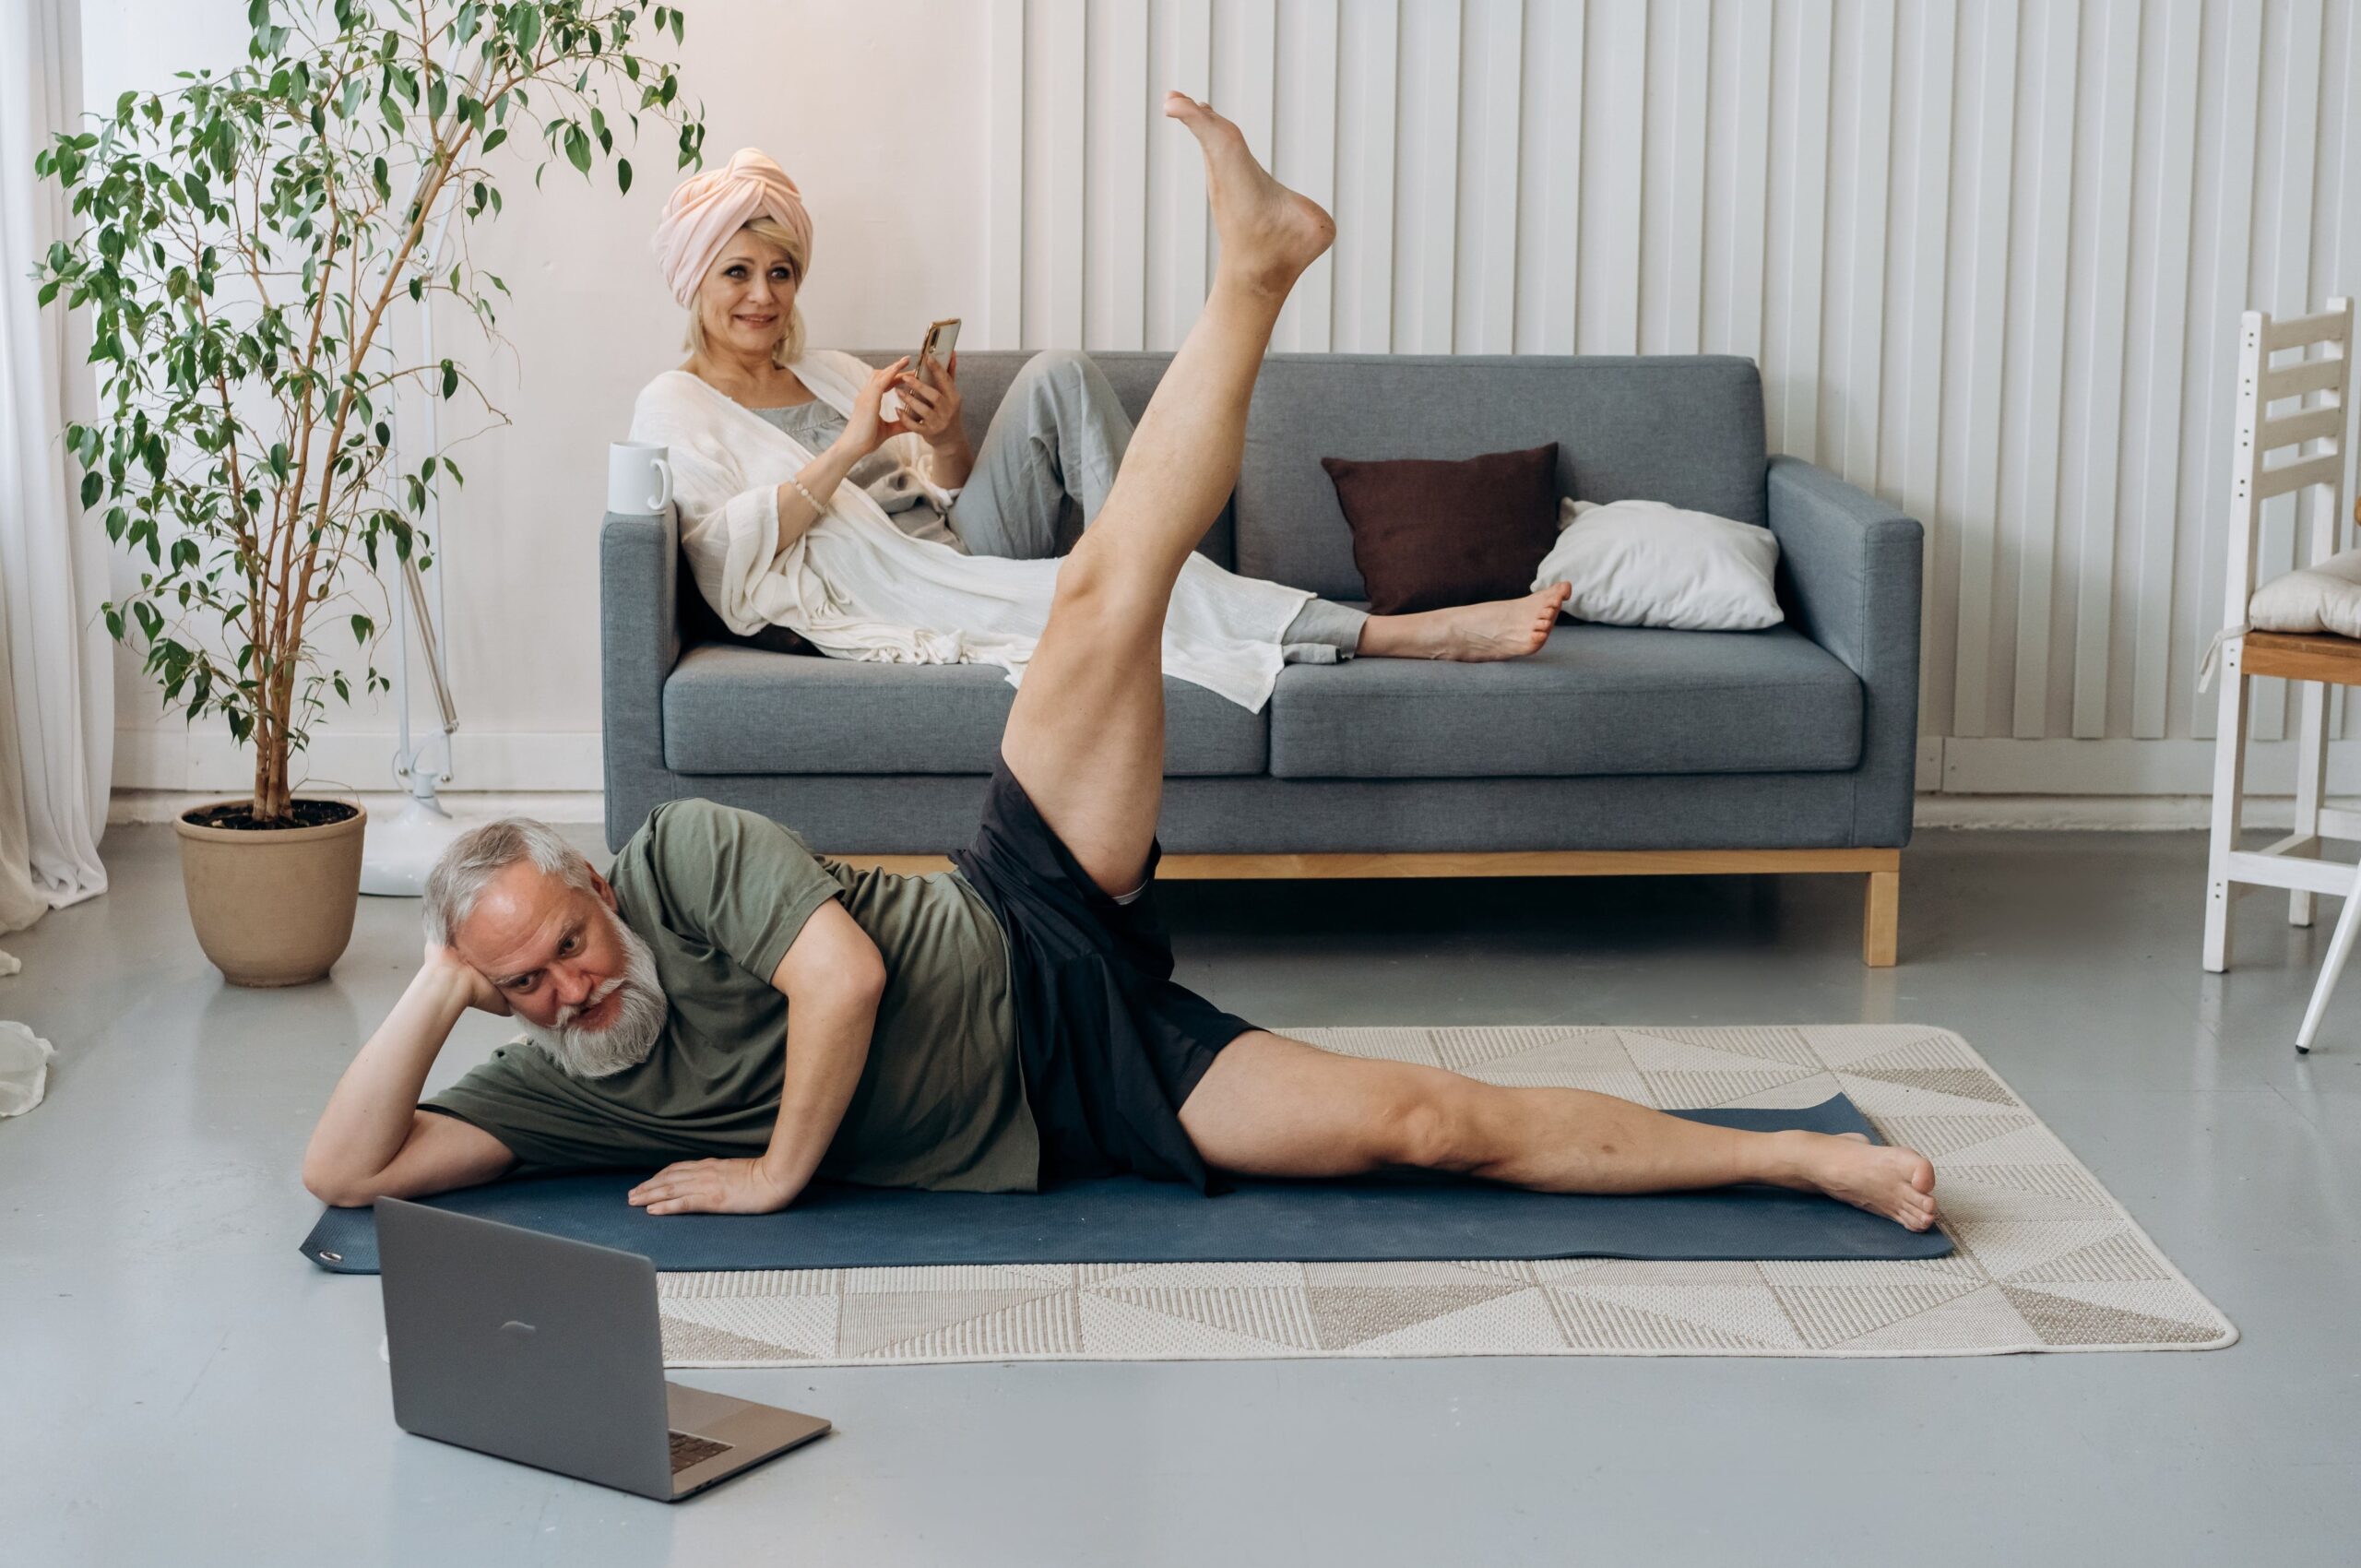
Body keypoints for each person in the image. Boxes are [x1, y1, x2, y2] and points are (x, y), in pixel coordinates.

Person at [305, 96, 1938, 1235]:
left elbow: (848, 980)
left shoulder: (681, 858)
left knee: (1105, 598)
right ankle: (1795, 1167)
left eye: (567, 945)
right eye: (529, 986)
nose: (572, 987)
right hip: (1094, 1087)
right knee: (1426, 1126)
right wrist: (448, 981)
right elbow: (349, 1170)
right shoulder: (564, 1077)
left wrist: (775, 1174)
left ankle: (1256, 265)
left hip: (1019, 914)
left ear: (597, 886)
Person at [626, 148, 1576, 715]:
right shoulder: (675, 402)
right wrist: (849, 448)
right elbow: (724, 561)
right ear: (694, 283)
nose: (761, 295)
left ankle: (1149, 561)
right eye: (737, 273)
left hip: (951, 544)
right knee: (1126, 579)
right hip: (902, 587)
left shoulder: (830, 371)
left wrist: (948, 435)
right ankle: (1409, 635)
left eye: (779, 272)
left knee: (1061, 372)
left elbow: (942, 495)